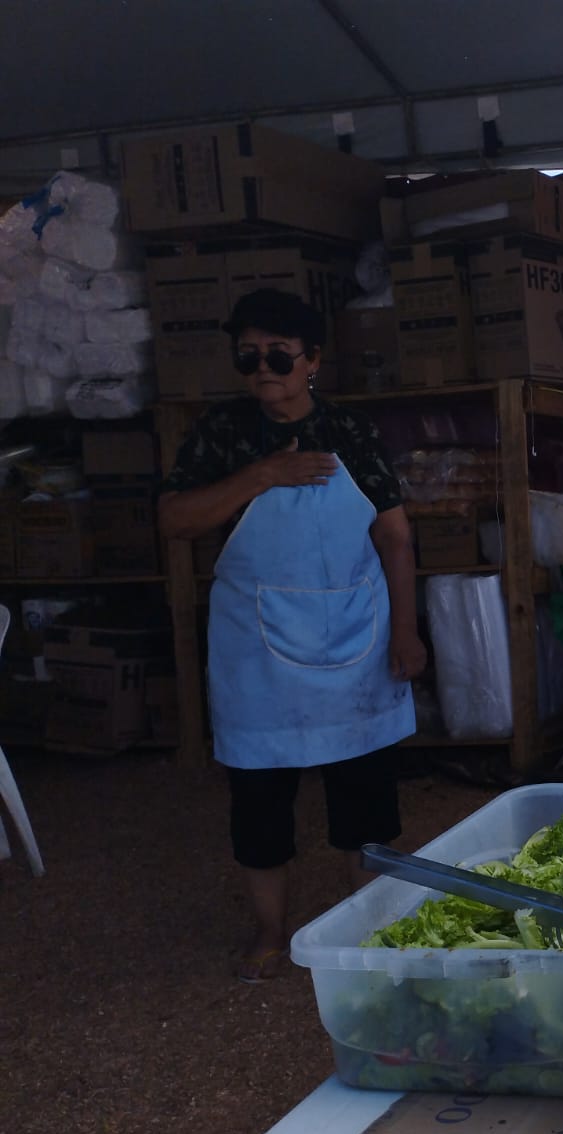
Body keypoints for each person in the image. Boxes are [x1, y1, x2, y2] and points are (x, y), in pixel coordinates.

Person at [157, 288, 426, 985]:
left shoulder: (353, 433)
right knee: (260, 804)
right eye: (248, 357)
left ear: (313, 360)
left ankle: (367, 931)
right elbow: (176, 518)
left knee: (363, 801)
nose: (263, 369)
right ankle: (272, 932)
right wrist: (261, 475)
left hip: (355, 643)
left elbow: (394, 537)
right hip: (258, 654)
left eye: (279, 355)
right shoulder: (223, 433)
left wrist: (406, 631)